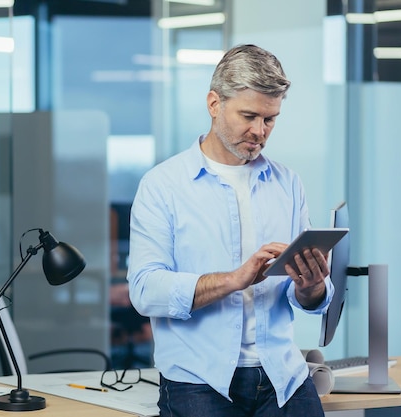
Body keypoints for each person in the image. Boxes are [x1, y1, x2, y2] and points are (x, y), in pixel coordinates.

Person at [126, 44, 333, 417]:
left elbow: (310, 300)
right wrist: (234, 279)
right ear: (214, 104)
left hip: (282, 376)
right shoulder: (162, 185)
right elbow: (144, 290)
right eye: (249, 116)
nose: (259, 131)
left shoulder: (288, 184)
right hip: (199, 380)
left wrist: (311, 285)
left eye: (270, 119)